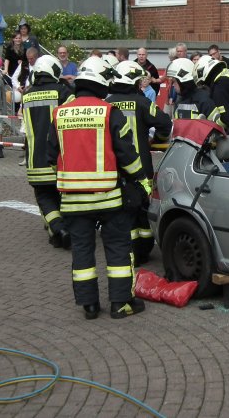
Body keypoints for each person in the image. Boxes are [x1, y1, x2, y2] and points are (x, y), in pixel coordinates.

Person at [47, 56, 150, 320]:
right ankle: (121, 304)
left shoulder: (59, 114)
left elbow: (50, 155)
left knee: (82, 251)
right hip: (109, 199)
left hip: (72, 200)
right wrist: (141, 181)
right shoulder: (108, 112)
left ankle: (89, 306)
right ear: (101, 83)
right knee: (117, 248)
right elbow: (128, 154)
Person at [107, 61, 172, 265]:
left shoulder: (107, 102)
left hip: (116, 169)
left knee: (121, 209)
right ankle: (143, 250)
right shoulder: (141, 102)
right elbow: (165, 122)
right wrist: (158, 139)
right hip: (141, 169)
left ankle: (128, 250)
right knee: (144, 207)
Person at [22, 55, 73, 249]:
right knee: (62, 195)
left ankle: (58, 229)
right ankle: (63, 227)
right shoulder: (63, 92)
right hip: (59, 158)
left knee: (44, 197)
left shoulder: (27, 95)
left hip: (35, 159)